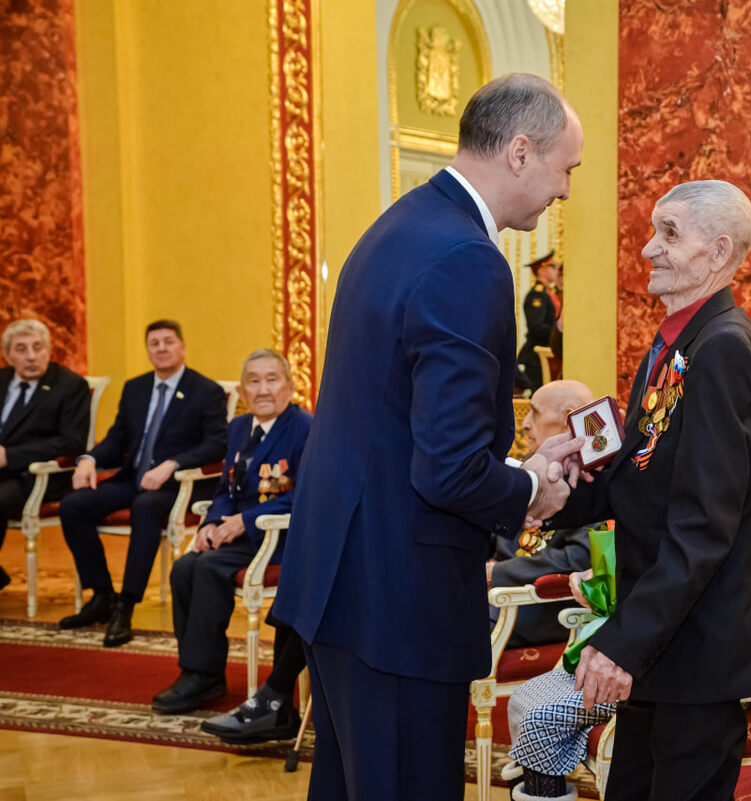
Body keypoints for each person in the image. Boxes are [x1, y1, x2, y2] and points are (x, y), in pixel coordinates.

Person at [271, 73, 584, 801]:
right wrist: (533, 485)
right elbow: (447, 469)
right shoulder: (466, 260)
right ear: (518, 152)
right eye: (565, 168)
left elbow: (400, 422)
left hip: (345, 577)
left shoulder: (402, 225)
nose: (565, 191)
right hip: (397, 598)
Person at [535, 180, 751, 801]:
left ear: (718, 251)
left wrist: (622, 644)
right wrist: (563, 493)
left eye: (669, 233)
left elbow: (704, 525)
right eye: (654, 231)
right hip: (662, 635)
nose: (649, 249)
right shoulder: (675, 339)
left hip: (698, 644)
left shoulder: (724, 347)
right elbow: (640, 476)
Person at [504, 440, 751, 801]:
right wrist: (603, 583)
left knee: (542, 714)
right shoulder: (705, 513)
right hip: (648, 660)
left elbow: (686, 598)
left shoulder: (739, 526)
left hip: (675, 671)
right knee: (528, 698)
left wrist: (610, 593)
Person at [151, 349, 311, 714]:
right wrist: (211, 523)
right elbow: (225, 488)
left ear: (289, 386)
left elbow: (307, 496)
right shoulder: (239, 428)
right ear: (241, 392)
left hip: (281, 539)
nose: (264, 389)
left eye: (272, 379)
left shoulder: (305, 428)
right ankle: (200, 672)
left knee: (207, 568)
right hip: (238, 536)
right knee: (184, 567)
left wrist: (246, 520)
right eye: (254, 381)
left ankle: (202, 674)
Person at [57, 320, 228, 647]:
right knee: (73, 505)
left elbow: (216, 444)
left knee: (145, 506)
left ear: (182, 346)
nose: (161, 348)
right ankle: (102, 595)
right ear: (148, 349)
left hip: (178, 486)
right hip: (133, 478)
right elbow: (117, 437)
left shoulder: (206, 391)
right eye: (154, 343)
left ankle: (127, 604)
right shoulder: (135, 388)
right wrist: (89, 458)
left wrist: (172, 464)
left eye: (168, 341)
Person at [490, 379, 596, 647]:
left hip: (534, 606)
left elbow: (580, 556)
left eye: (535, 413)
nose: (525, 424)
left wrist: (498, 573)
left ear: (568, 418)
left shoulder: (589, 478)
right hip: (494, 597)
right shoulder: (526, 469)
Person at [0, 319, 89, 590]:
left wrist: (10, 455)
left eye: (37, 347)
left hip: (35, 474)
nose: (31, 356)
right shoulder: (1, 380)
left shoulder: (70, 385)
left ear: (49, 350)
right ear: (8, 355)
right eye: (22, 349)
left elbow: (71, 442)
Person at [516, 252, 562, 392]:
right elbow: (536, 326)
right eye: (552, 266)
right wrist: (557, 335)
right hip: (537, 357)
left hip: (549, 353)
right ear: (542, 270)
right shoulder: (537, 294)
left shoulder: (550, 293)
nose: (556, 270)